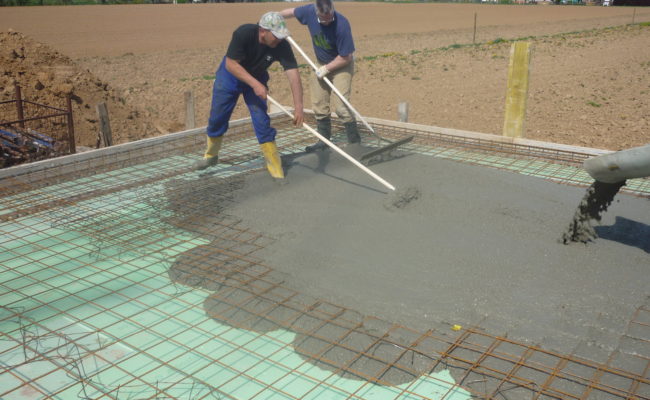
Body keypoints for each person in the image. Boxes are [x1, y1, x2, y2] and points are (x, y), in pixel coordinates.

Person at [194, 12, 304, 179]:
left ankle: (275, 168)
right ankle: (211, 155)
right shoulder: (244, 33)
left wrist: (299, 106)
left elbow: (293, 74)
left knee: (261, 120)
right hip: (231, 75)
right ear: (263, 31)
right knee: (218, 117)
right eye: (276, 36)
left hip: (257, 75)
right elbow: (231, 64)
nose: (279, 39)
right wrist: (255, 84)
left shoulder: (281, 45)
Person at [280, 0, 360, 153]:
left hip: (341, 65)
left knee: (341, 106)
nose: (328, 21)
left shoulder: (342, 24)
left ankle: (355, 142)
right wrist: (276, 17)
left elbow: (346, 57)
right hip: (320, 63)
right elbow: (291, 12)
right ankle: (323, 141)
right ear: (316, 13)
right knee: (319, 103)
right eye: (324, 19)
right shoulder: (309, 11)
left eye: (330, 17)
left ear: (333, 10)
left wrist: (326, 69)